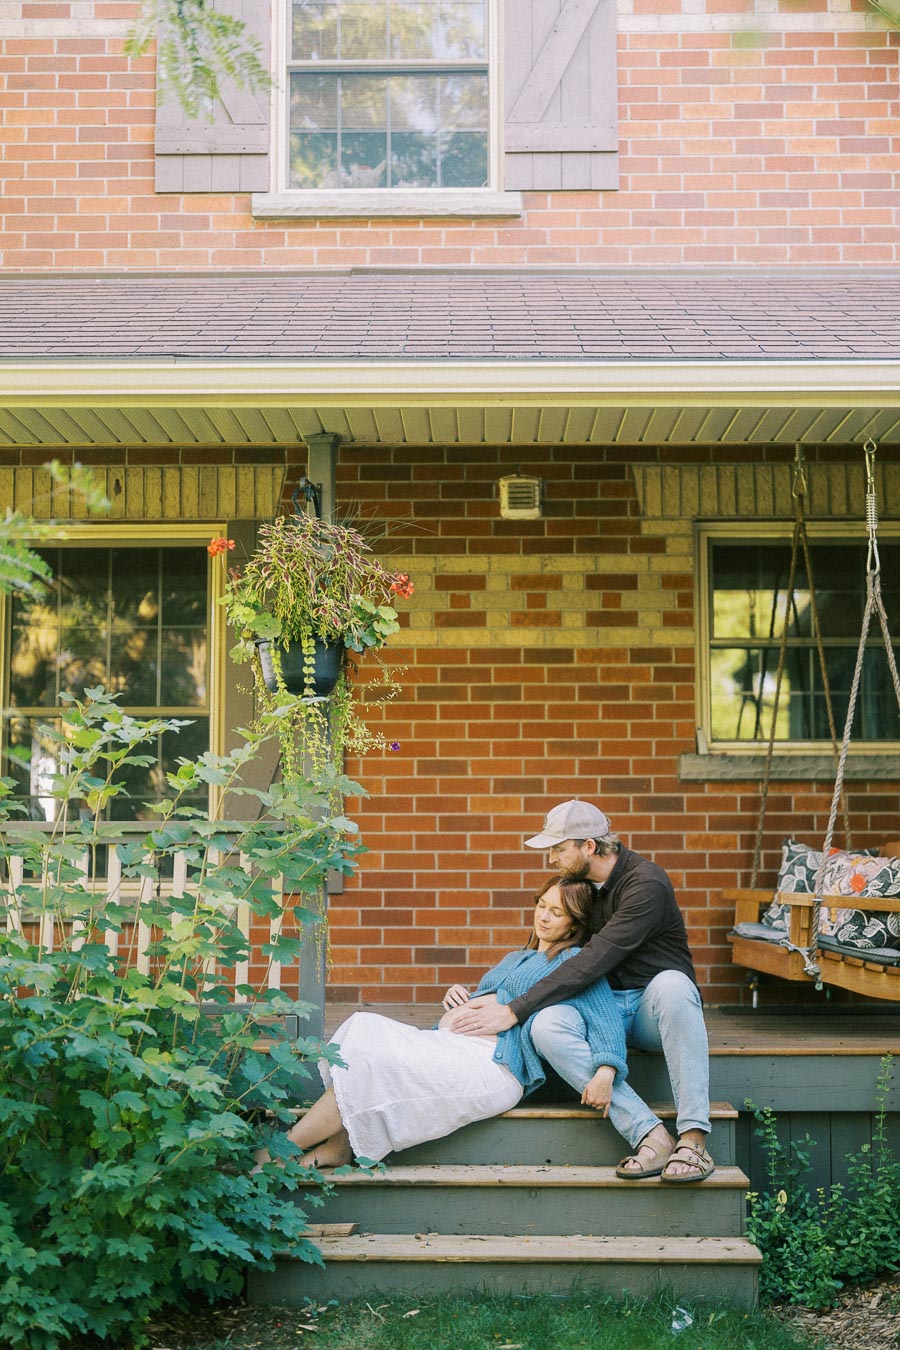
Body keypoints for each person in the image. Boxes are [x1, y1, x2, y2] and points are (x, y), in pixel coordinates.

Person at [258, 878, 634, 1170]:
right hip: (455, 1047)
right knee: (365, 1029)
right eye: (541, 904)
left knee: (376, 1059)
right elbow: (483, 1007)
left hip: (494, 1066)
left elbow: (607, 1023)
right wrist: (462, 1000)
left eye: (557, 911)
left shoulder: (574, 962)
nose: (543, 915)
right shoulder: (514, 957)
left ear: (575, 924)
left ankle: (282, 1149)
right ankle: (335, 1148)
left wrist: (604, 1071)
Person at [443, 800, 714, 1183]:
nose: (551, 858)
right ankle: (649, 1132)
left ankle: (693, 1139)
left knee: (674, 984)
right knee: (546, 1024)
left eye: (558, 848)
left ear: (589, 846)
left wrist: (515, 1010)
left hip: (650, 1010)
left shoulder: (645, 883)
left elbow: (595, 959)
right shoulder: (582, 888)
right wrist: (480, 995)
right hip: (598, 1007)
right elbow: (541, 955)